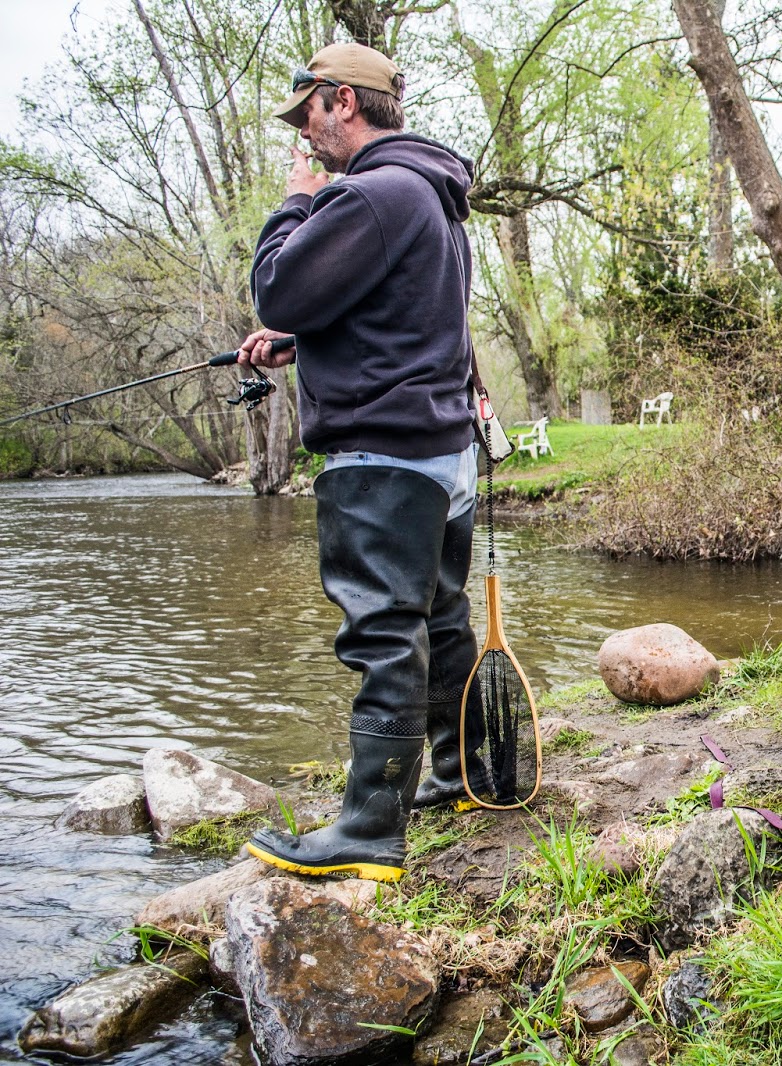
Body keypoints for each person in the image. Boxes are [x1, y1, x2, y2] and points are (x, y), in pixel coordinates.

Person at [240, 42, 495, 882]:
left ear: (342, 102)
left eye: (306, 114)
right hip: (439, 452)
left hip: (383, 456)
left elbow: (279, 284)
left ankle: (368, 829)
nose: (304, 138)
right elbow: (387, 318)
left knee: (384, 634)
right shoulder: (431, 198)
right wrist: (299, 339)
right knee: (441, 622)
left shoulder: (367, 193)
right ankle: (469, 775)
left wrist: (294, 205)